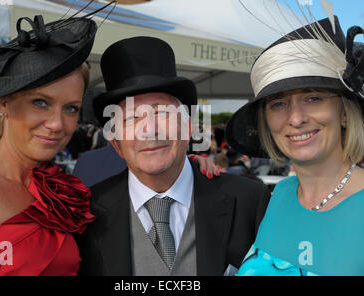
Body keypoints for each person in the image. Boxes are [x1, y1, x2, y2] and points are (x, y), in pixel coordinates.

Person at [76, 36, 270, 276]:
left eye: (161, 112)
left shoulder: (249, 202)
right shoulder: (85, 215)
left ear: (188, 128)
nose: (149, 130)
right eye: (131, 118)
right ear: (116, 144)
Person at [0, 10, 99, 275]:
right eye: (40, 102)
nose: (57, 124)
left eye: (71, 109)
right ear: (5, 103)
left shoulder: (64, 193)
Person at [225, 16, 364, 276]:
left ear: (344, 112)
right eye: (278, 104)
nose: (296, 118)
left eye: (313, 98)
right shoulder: (282, 193)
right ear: (266, 121)